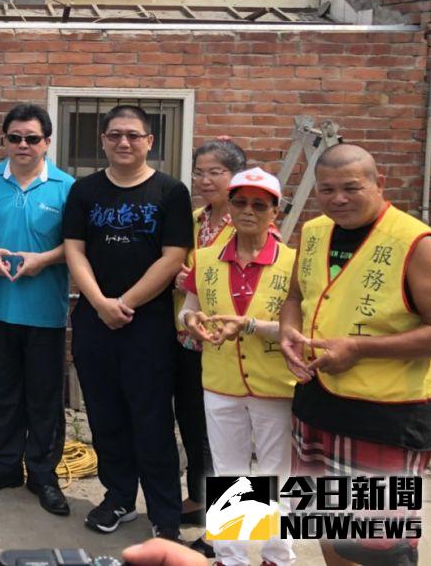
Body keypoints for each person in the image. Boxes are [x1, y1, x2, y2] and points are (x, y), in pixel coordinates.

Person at [280, 143, 431, 566]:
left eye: (351, 188)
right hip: (317, 400)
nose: (338, 199)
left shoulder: (418, 243)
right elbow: (296, 294)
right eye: (327, 189)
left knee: (379, 544)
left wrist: (360, 349)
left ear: (379, 185)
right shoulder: (315, 231)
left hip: (387, 412)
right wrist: (288, 331)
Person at [62, 104, 192, 541]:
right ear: (102, 140)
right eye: (115, 135)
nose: (124, 142)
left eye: (133, 136)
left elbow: (173, 257)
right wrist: (98, 302)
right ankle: (118, 497)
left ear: (149, 142)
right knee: (105, 415)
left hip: (148, 324)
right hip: (94, 320)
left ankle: (165, 515)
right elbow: (74, 249)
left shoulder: (171, 192)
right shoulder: (85, 191)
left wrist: (125, 303)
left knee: (151, 418)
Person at [179, 168, 296, 566]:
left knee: (274, 471)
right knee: (228, 471)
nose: (248, 211)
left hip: (274, 383)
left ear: (274, 213)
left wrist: (248, 325)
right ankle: (230, 557)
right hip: (220, 379)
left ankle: (277, 556)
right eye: (240, 202)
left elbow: (300, 329)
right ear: (229, 207)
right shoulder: (207, 258)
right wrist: (191, 323)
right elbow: (189, 310)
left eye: (259, 205)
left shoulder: (293, 264)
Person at [0, 104, 74, 517]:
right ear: (5, 139)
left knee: (44, 397)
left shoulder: (66, 186)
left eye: (32, 138)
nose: (23, 145)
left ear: (47, 141)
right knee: (3, 393)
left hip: (45, 311)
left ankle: (43, 474)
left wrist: (44, 259)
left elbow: (77, 247)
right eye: (15, 137)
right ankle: (5, 465)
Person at [177, 139, 245, 530]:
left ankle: (232, 529)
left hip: (233, 344)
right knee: (194, 427)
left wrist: (196, 282)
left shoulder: (248, 221)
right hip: (190, 338)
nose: (205, 180)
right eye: (199, 172)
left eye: (215, 172)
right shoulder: (196, 220)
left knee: (229, 438)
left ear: (235, 177)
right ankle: (201, 501)